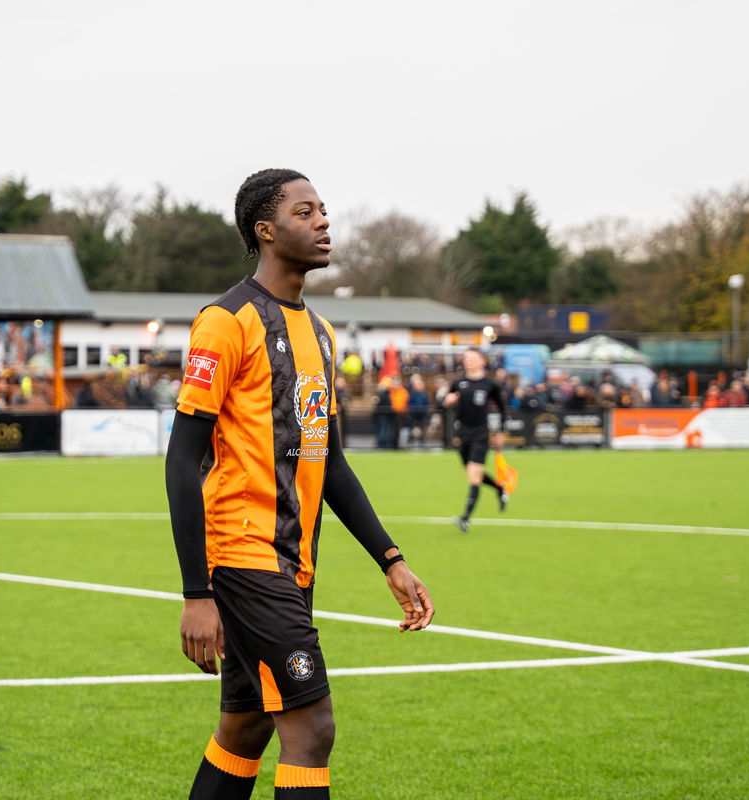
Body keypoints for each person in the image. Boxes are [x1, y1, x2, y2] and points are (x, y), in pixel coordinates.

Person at [165, 169, 434, 800]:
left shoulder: (321, 333)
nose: (323, 222)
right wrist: (196, 593)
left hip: (296, 561)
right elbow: (181, 459)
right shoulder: (226, 321)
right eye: (305, 212)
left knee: (246, 727)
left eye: (324, 210)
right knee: (312, 728)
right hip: (243, 556)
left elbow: (329, 461)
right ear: (265, 229)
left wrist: (391, 560)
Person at [443, 348, 508, 531]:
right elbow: (444, 403)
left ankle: (465, 518)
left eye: (472, 358)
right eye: (466, 358)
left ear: (482, 361)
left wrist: (500, 432)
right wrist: (448, 401)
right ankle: (500, 489)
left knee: (473, 477)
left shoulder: (490, 385)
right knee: (474, 473)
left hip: (481, 433)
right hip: (462, 434)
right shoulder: (458, 383)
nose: (468, 361)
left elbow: (503, 409)